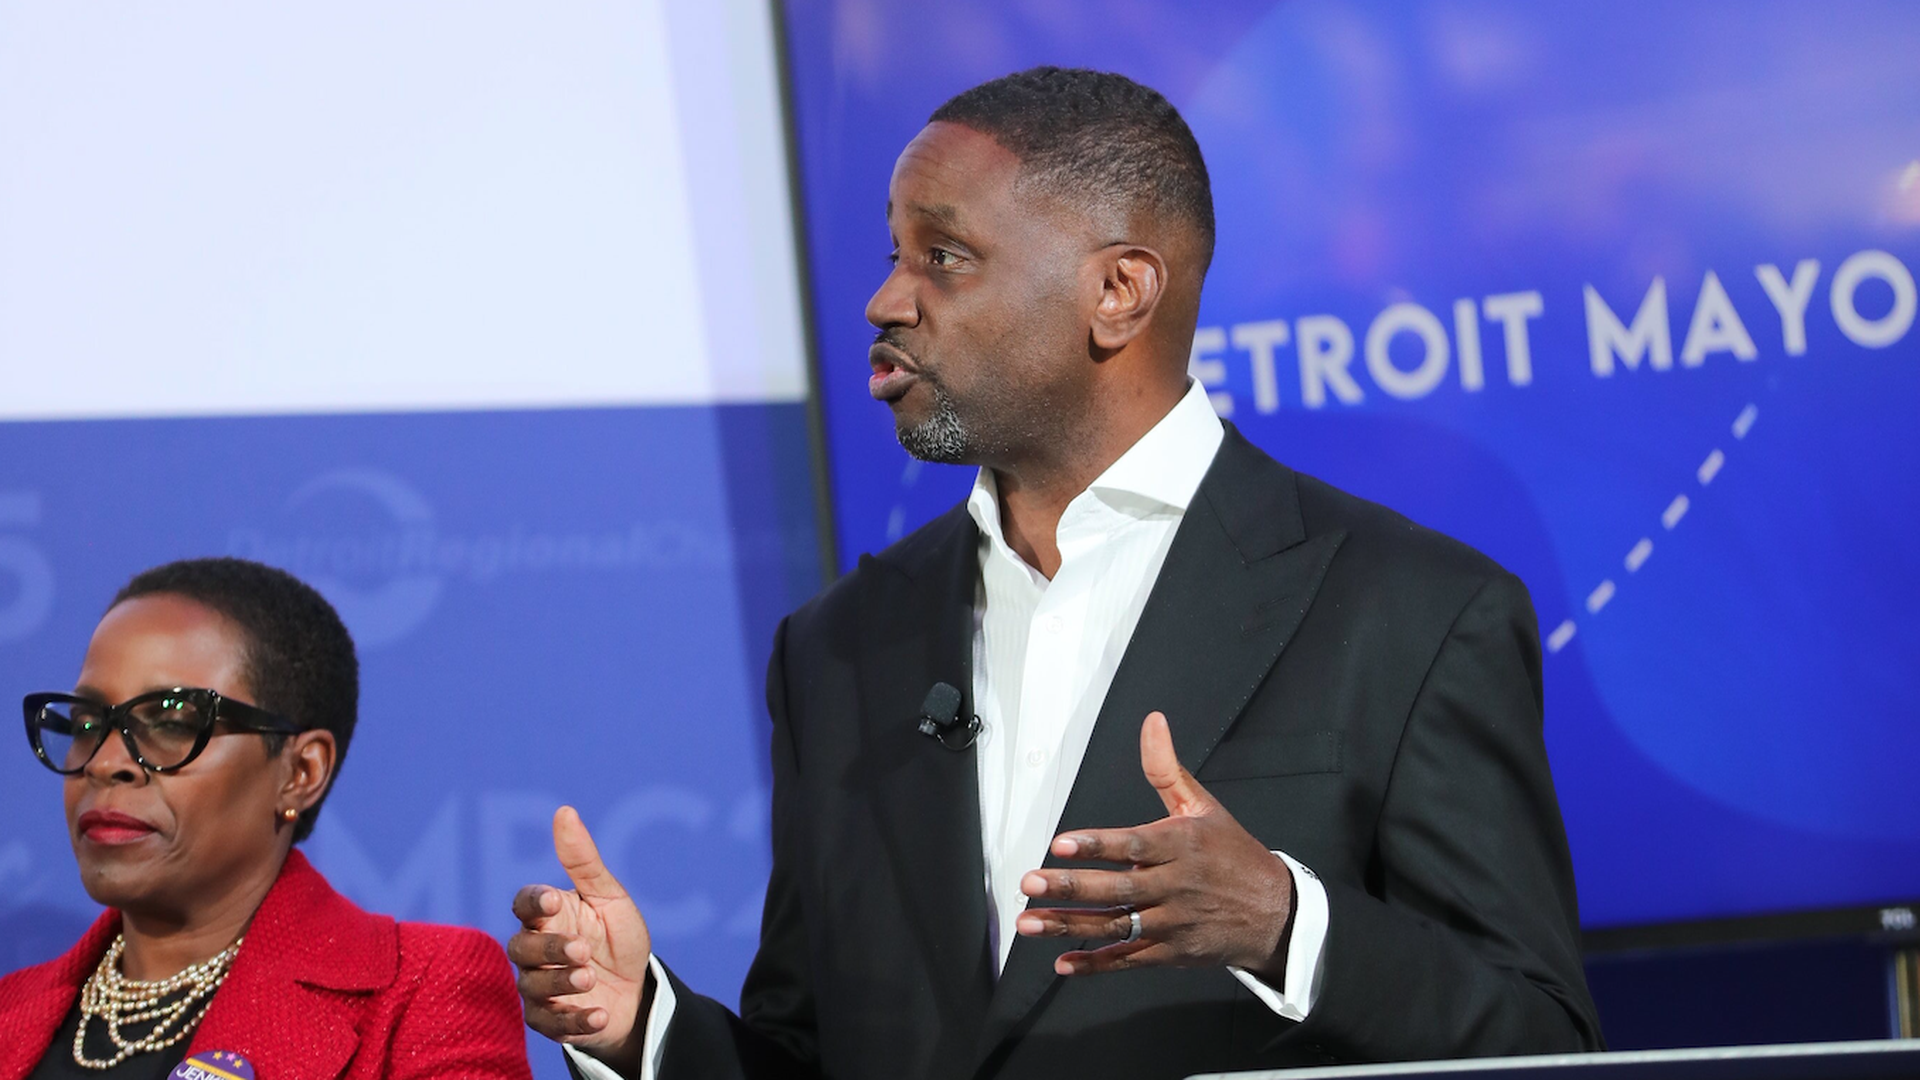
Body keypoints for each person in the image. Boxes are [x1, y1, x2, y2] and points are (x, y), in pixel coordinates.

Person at [510, 67, 1604, 1079]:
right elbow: (814, 1052)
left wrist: (1284, 922)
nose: (886, 302)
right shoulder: (838, 646)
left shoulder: (1413, 611)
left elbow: (1540, 1039)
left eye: (943, 256)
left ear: (1119, 290)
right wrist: (642, 1027)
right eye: (893, 254)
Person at [0, 557, 532, 1079]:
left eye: (173, 721)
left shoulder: (420, 991)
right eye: (88, 722)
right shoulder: (10, 1011)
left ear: (300, 772)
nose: (105, 762)